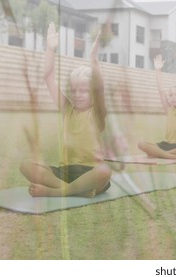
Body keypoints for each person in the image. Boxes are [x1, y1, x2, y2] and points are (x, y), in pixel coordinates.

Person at [19, 22, 111, 197]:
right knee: (25, 165)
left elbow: (99, 87)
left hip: (90, 172)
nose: (77, 94)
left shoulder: (97, 113)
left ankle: (56, 192)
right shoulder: (67, 109)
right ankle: (75, 191)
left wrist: (93, 58)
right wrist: (50, 49)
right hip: (65, 172)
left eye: (83, 90)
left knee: (105, 171)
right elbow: (48, 78)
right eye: (74, 90)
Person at [137, 54, 176, 159]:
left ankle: (162, 155)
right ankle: (170, 155)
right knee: (141, 144)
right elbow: (161, 91)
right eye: (171, 95)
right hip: (166, 144)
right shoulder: (168, 109)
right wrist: (158, 70)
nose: (173, 97)